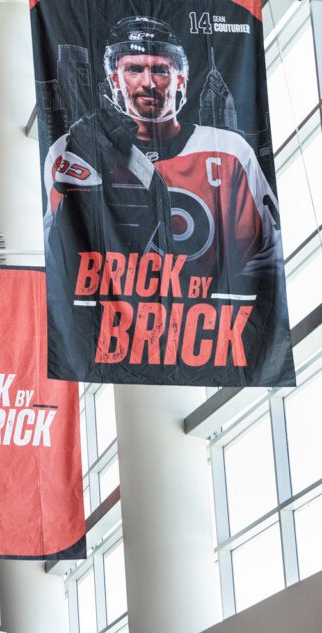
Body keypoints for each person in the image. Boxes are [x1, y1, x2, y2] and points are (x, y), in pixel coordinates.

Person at [42, 15, 287, 382]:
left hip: (207, 331)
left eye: (160, 69)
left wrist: (208, 296)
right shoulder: (71, 152)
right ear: (114, 79)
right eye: (134, 69)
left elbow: (268, 255)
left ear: (180, 79)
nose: (148, 82)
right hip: (115, 330)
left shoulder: (229, 150)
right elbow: (56, 260)